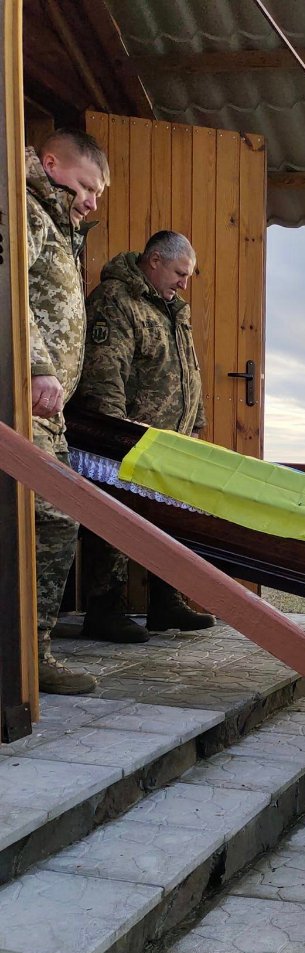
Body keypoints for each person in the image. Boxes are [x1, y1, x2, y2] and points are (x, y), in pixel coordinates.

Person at [72, 230, 215, 641]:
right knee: (115, 517)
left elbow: (188, 369)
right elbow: (104, 373)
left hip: (171, 439)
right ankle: (104, 609)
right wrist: (111, 435)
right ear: (154, 261)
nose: (184, 283)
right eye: (179, 273)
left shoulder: (173, 308)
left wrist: (196, 422)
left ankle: (165, 603)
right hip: (128, 438)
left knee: (169, 517)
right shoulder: (117, 300)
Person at [27, 128, 109, 694]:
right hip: (20, 399)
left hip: (46, 411)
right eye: (87, 186)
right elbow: (7, 289)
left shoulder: (59, 226)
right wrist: (37, 365)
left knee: (56, 518)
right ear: (52, 164)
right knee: (54, 517)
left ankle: (30, 653)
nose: (93, 202)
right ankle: (29, 657)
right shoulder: (26, 211)